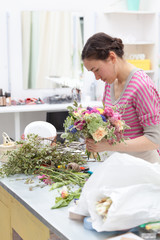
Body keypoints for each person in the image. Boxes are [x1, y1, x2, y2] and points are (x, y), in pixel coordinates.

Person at [82, 32, 160, 163]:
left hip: (143, 167)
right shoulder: (110, 83)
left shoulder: (141, 86)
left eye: (97, 70)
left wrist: (109, 145)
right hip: (120, 163)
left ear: (112, 57)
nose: (96, 77)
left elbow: (155, 139)